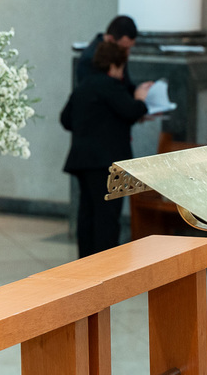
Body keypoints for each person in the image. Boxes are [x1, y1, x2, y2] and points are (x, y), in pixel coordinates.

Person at [61, 40, 150, 258]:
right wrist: (140, 99)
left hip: (83, 160)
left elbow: (65, 119)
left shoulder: (84, 85)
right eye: (121, 68)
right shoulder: (112, 86)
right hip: (108, 163)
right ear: (113, 66)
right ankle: (105, 265)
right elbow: (131, 111)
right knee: (107, 217)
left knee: (88, 213)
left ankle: (85, 263)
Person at [74, 15, 148, 94]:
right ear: (111, 39)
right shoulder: (89, 59)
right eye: (124, 48)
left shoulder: (118, 52)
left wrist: (142, 90)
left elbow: (126, 85)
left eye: (129, 48)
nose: (127, 53)